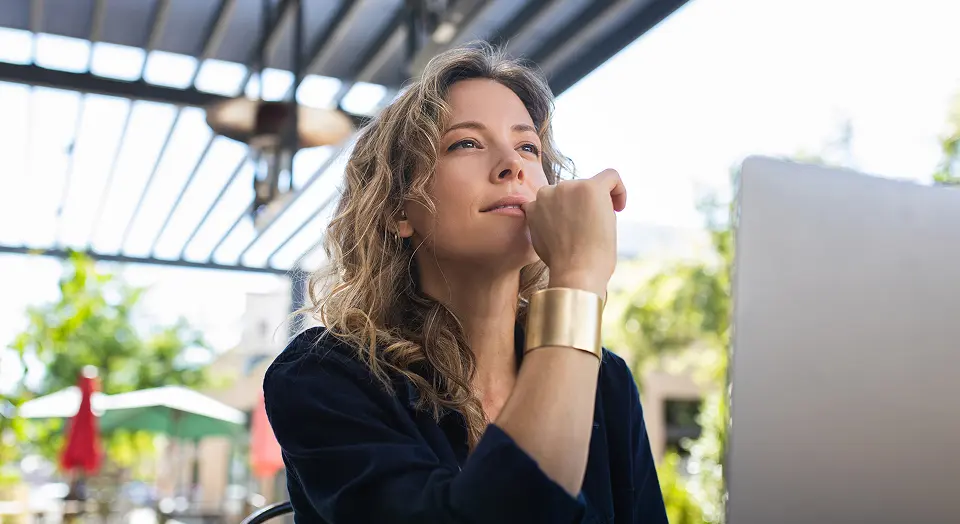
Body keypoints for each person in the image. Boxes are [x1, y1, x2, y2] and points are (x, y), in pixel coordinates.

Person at [263, 42, 668, 523]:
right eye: (466, 143)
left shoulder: (605, 380)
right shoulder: (323, 376)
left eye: (527, 147)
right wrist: (578, 278)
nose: (512, 165)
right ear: (397, 210)